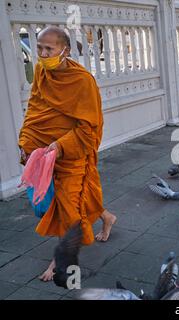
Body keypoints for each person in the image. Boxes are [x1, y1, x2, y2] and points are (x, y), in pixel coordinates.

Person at [18, 26, 116, 282]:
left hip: (72, 152)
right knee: (66, 201)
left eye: (49, 49)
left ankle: (59, 261)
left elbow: (89, 125)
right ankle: (107, 217)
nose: (42, 53)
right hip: (43, 148)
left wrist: (61, 146)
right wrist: (26, 141)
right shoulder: (41, 71)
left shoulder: (83, 80)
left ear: (65, 50)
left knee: (68, 206)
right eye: (39, 47)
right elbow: (36, 107)